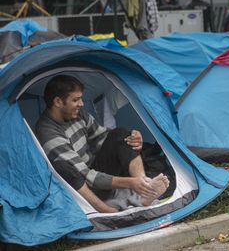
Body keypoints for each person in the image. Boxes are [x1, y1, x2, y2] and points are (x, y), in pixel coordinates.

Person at [36, 75, 169, 213]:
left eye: (81, 98)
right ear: (58, 102)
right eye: (76, 100)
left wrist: (133, 141)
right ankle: (107, 210)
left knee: (121, 134)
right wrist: (130, 183)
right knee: (65, 169)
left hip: (96, 173)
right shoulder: (48, 132)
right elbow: (85, 175)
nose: (81, 104)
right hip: (80, 188)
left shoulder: (77, 114)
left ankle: (145, 188)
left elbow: (105, 139)